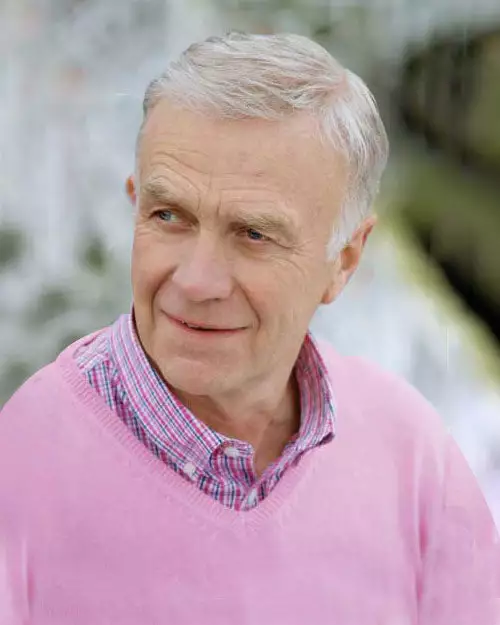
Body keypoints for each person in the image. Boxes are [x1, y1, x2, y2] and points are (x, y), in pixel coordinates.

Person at [0, 32, 498, 625]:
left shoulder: (409, 449)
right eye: (169, 216)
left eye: (254, 234)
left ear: (344, 260)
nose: (196, 280)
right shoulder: (27, 465)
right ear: (134, 206)